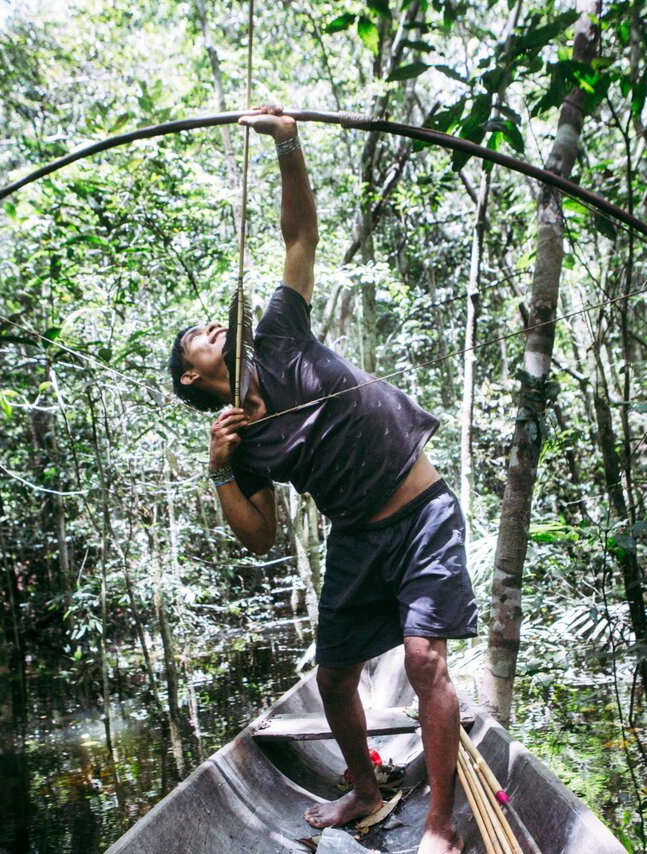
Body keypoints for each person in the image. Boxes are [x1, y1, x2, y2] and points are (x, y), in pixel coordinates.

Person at [166, 105, 476, 854]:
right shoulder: (238, 445)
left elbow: (299, 235)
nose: (212, 327)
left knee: (423, 658)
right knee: (335, 680)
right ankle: (365, 792)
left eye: (213, 326)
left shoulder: (277, 333)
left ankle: (438, 828)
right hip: (357, 540)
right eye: (198, 339)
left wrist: (288, 144)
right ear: (189, 377)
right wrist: (219, 475)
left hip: (421, 509)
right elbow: (261, 538)